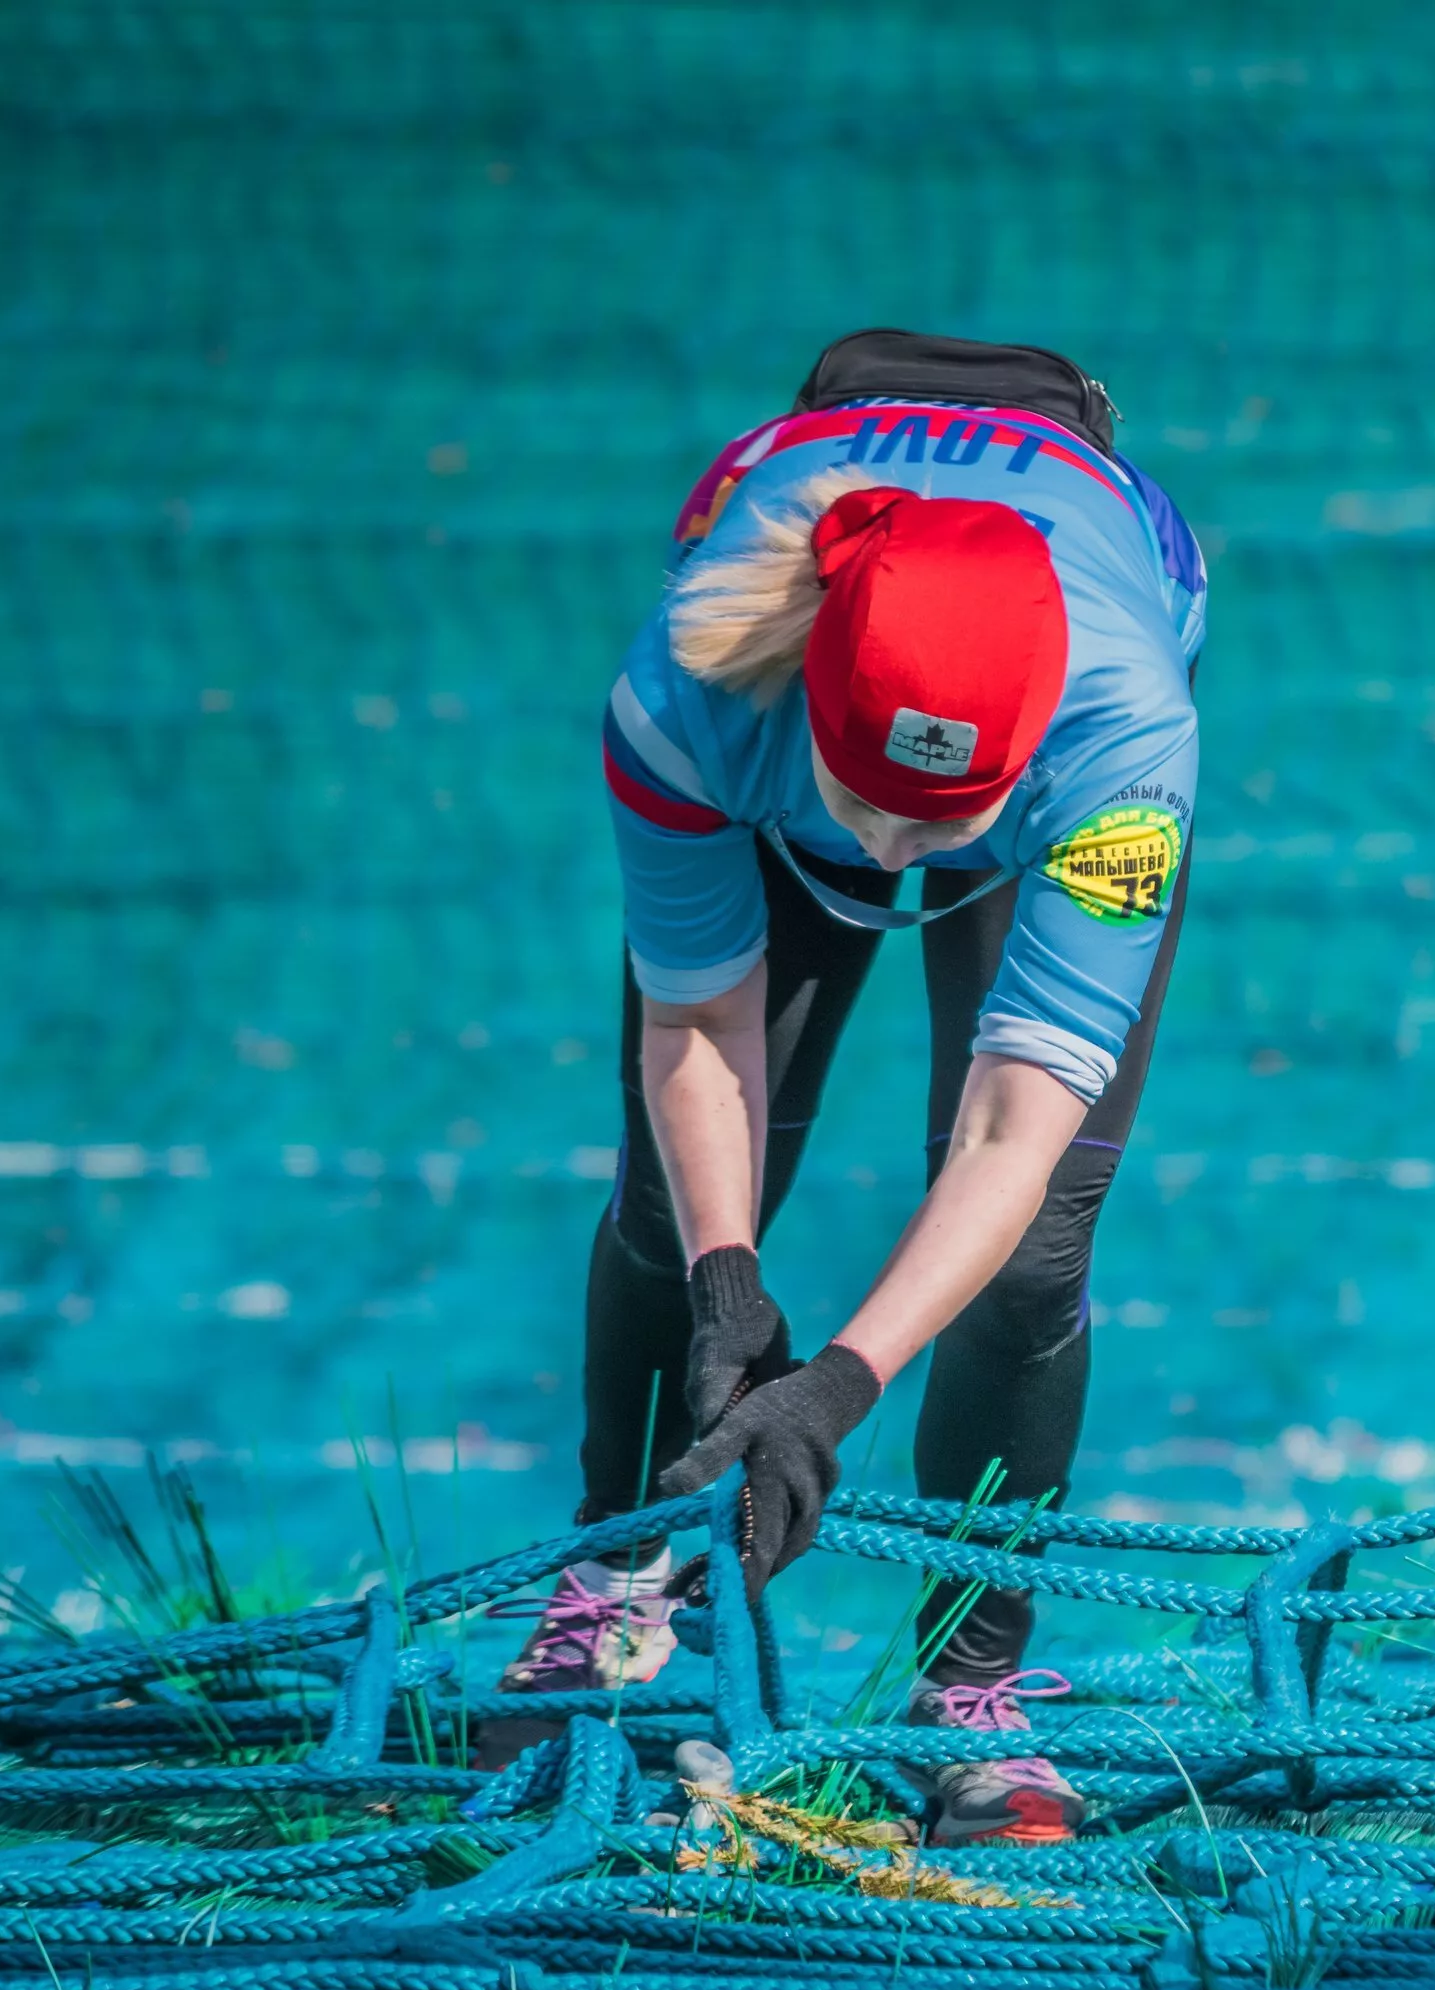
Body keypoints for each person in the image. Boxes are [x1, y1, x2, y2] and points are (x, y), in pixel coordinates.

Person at [479, 333, 1205, 1848]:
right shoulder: (691, 692)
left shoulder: (1125, 753)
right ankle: (611, 1587)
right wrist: (731, 1282)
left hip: (1020, 751)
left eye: (940, 822)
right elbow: (695, 1024)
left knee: (1042, 1254)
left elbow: (1021, 1121)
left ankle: (972, 1691)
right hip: (778, 749)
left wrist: (837, 1389)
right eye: (868, 809)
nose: (890, 861)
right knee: (668, 1212)